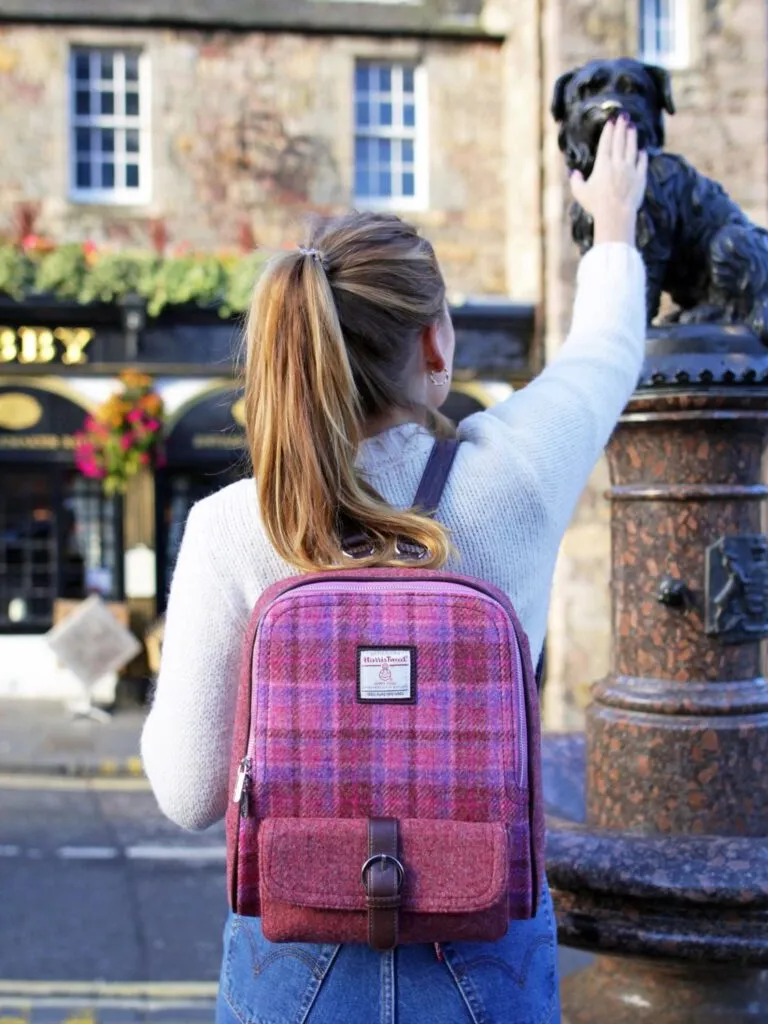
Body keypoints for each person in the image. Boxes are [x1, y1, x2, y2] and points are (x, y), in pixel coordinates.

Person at [141, 116, 648, 1024]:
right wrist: (612, 228)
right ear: (435, 346)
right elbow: (606, 352)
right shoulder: (516, 481)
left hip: (296, 963)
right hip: (482, 947)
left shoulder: (231, 525)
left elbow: (188, 796)